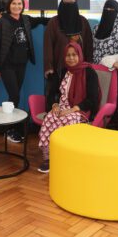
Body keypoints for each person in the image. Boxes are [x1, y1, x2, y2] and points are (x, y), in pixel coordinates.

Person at [37, 42, 100, 173]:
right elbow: (52, 92)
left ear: (79, 55)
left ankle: (67, 156)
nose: (71, 58)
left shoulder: (89, 72)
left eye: (74, 55)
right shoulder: (63, 71)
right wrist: (54, 105)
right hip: (62, 107)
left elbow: (92, 99)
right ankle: (49, 158)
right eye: (68, 55)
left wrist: (72, 110)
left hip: (80, 110)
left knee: (67, 121)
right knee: (49, 118)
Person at [0, 0, 47, 143]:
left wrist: (58, 18)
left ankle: (12, 128)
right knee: (15, 96)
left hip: (21, 64)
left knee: (14, 98)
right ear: (9, 5)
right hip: (7, 65)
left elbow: (42, 20)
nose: (17, 6)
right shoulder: (3, 21)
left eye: (19, 4)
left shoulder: (26, 19)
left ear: (23, 6)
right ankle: (10, 129)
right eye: (14, 3)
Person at [43, 0, 94, 111]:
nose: (69, 6)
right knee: (56, 99)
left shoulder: (83, 22)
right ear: (61, 4)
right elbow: (48, 46)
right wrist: (49, 67)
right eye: (66, 3)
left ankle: (74, 116)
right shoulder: (54, 23)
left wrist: (89, 65)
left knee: (77, 97)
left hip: (79, 71)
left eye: (72, 3)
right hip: (58, 69)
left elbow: (88, 45)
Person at [92, 0, 118, 64]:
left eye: (111, 10)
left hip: (114, 67)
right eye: (106, 9)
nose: (108, 12)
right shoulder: (96, 29)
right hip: (95, 66)